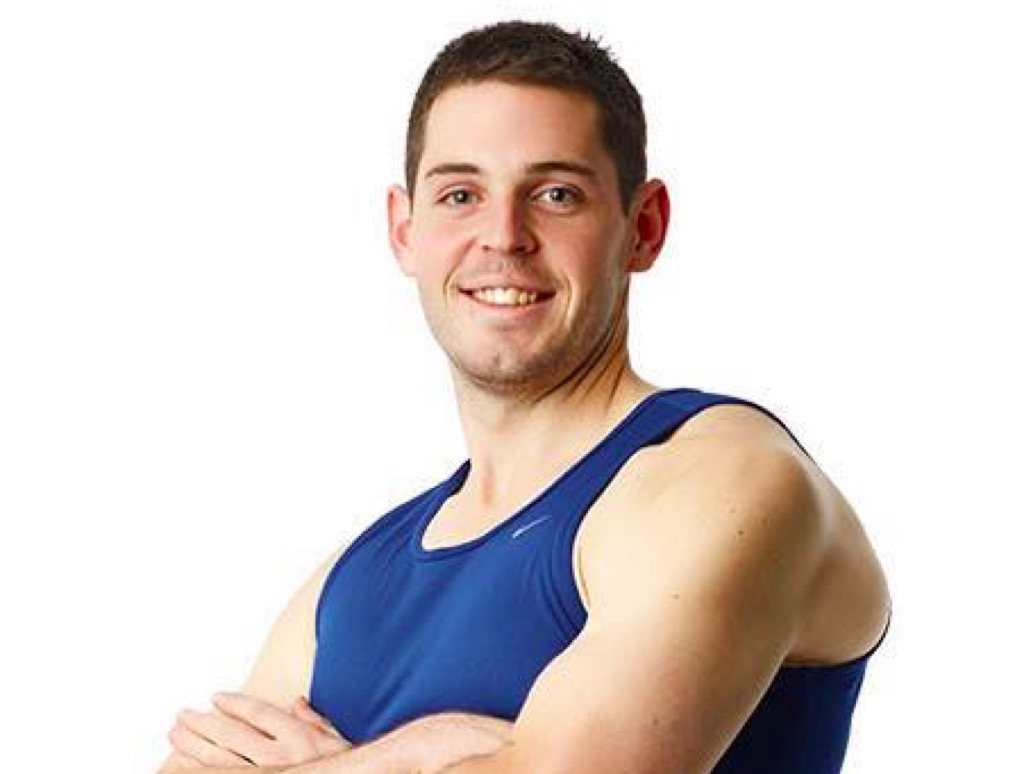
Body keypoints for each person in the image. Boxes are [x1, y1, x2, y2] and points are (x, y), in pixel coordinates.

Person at [158, 20, 891, 774]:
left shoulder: (729, 483)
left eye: (556, 194)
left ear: (643, 227)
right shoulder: (356, 577)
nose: (504, 235)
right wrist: (418, 751)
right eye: (460, 195)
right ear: (405, 231)